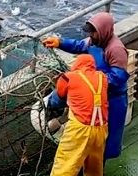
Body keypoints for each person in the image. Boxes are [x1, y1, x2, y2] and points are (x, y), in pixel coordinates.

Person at [33, 54, 109, 176]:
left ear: (76, 65)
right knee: (94, 167)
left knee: (63, 171)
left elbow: (56, 100)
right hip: (101, 128)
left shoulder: (68, 77)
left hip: (79, 130)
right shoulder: (102, 78)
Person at [42, 12, 129, 160]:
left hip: (113, 100)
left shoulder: (116, 49)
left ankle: (98, 169)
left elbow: (118, 76)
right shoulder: (94, 42)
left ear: (104, 31)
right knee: (92, 134)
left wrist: (94, 81)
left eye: (93, 32)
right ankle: (89, 164)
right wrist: (60, 42)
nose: (91, 36)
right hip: (95, 96)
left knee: (108, 140)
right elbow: (79, 46)